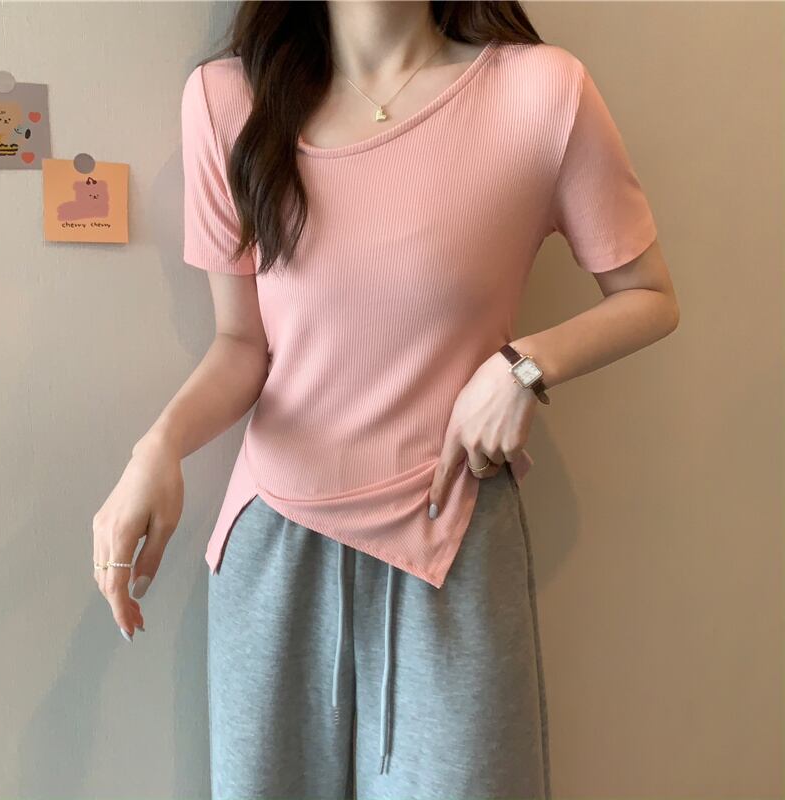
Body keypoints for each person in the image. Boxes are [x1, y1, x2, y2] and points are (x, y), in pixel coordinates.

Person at [92, 2, 679, 798]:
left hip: (454, 539)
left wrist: (522, 366)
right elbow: (242, 345)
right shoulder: (228, 100)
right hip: (275, 548)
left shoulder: (542, 92)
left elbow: (648, 296)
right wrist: (157, 448)